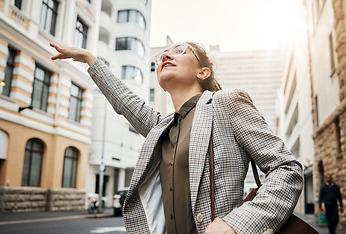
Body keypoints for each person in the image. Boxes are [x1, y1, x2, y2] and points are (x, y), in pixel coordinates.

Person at [50, 42, 303, 234]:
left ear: (202, 72)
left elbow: (287, 169)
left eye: (180, 51)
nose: (165, 57)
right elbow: (124, 102)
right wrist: (89, 59)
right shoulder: (162, 128)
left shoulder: (226, 103)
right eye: (161, 57)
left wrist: (236, 224)